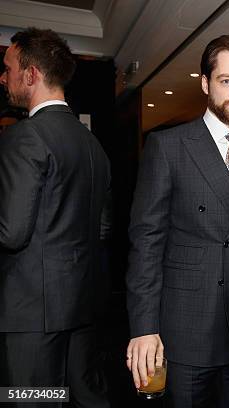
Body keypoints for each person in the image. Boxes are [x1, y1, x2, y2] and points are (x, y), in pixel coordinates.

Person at [125, 34, 229, 407]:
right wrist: (144, 328)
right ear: (206, 83)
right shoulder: (169, 146)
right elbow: (146, 241)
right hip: (187, 330)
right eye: (227, 81)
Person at [0, 28, 111, 407]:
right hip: (83, 308)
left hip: (31, 315)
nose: (3, 77)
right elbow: (103, 228)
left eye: (8, 68)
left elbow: (11, 232)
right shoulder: (93, 144)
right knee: (83, 399)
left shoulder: (24, 137)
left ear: (31, 75)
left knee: (31, 400)